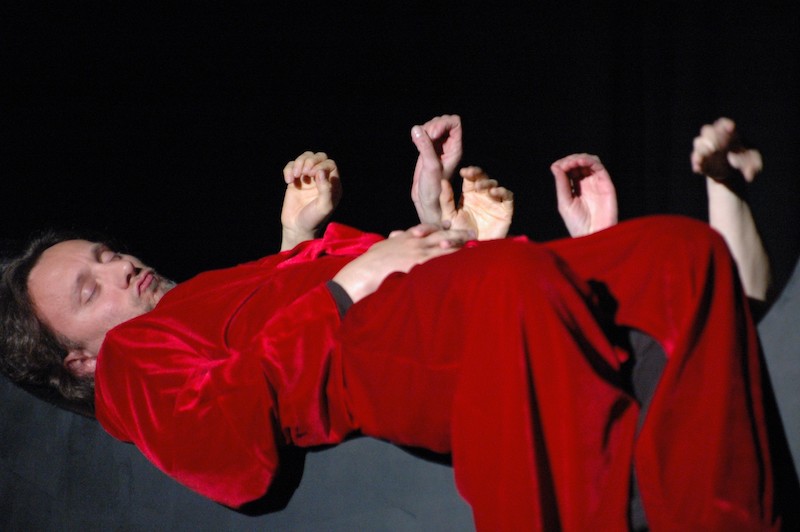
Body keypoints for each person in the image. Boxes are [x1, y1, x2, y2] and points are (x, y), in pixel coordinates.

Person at [0, 116, 784, 530]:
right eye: (90, 289)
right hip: (374, 344)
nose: (119, 269)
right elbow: (227, 451)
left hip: (443, 287)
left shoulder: (206, 290)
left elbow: (278, 312)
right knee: (513, 284)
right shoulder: (131, 361)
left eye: (105, 253)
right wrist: (345, 287)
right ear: (79, 360)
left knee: (679, 254)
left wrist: (424, 217)